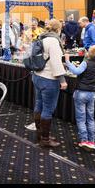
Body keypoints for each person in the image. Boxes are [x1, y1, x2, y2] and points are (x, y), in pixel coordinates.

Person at [32, 19, 67, 148]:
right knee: (47, 109)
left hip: (37, 76)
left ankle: (40, 134)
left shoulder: (41, 37)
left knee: (39, 104)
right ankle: (45, 139)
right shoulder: (53, 41)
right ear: (58, 29)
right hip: (49, 79)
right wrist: (62, 80)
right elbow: (55, 62)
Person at [65, 46, 95, 151]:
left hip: (81, 93)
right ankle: (91, 141)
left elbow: (76, 72)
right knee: (91, 118)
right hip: (92, 94)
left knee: (81, 119)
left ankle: (84, 140)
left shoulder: (85, 63)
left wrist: (67, 61)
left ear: (89, 54)